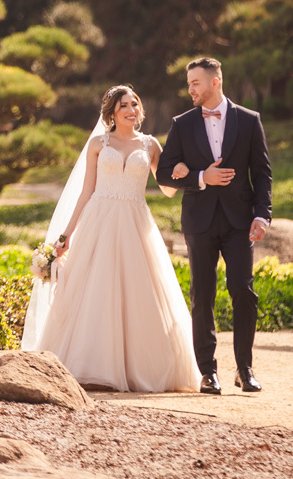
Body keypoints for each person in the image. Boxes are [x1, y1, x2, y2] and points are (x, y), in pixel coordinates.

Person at [22, 85, 200, 393]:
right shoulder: (97, 143)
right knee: (94, 291)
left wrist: (183, 171)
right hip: (98, 221)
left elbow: (166, 187)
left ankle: (138, 368)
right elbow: (86, 191)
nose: (132, 110)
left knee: (138, 292)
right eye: (124, 107)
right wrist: (65, 235)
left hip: (135, 222)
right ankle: (88, 366)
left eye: (134, 104)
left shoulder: (150, 144)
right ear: (112, 114)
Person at [154, 57, 272, 394]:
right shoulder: (182, 123)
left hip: (239, 222)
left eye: (195, 82)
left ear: (215, 82)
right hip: (199, 221)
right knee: (202, 296)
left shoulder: (250, 121)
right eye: (189, 83)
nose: (190, 89)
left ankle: (245, 369)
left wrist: (262, 214)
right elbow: (164, 173)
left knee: (243, 293)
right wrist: (201, 177)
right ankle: (208, 372)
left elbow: (262, 172)